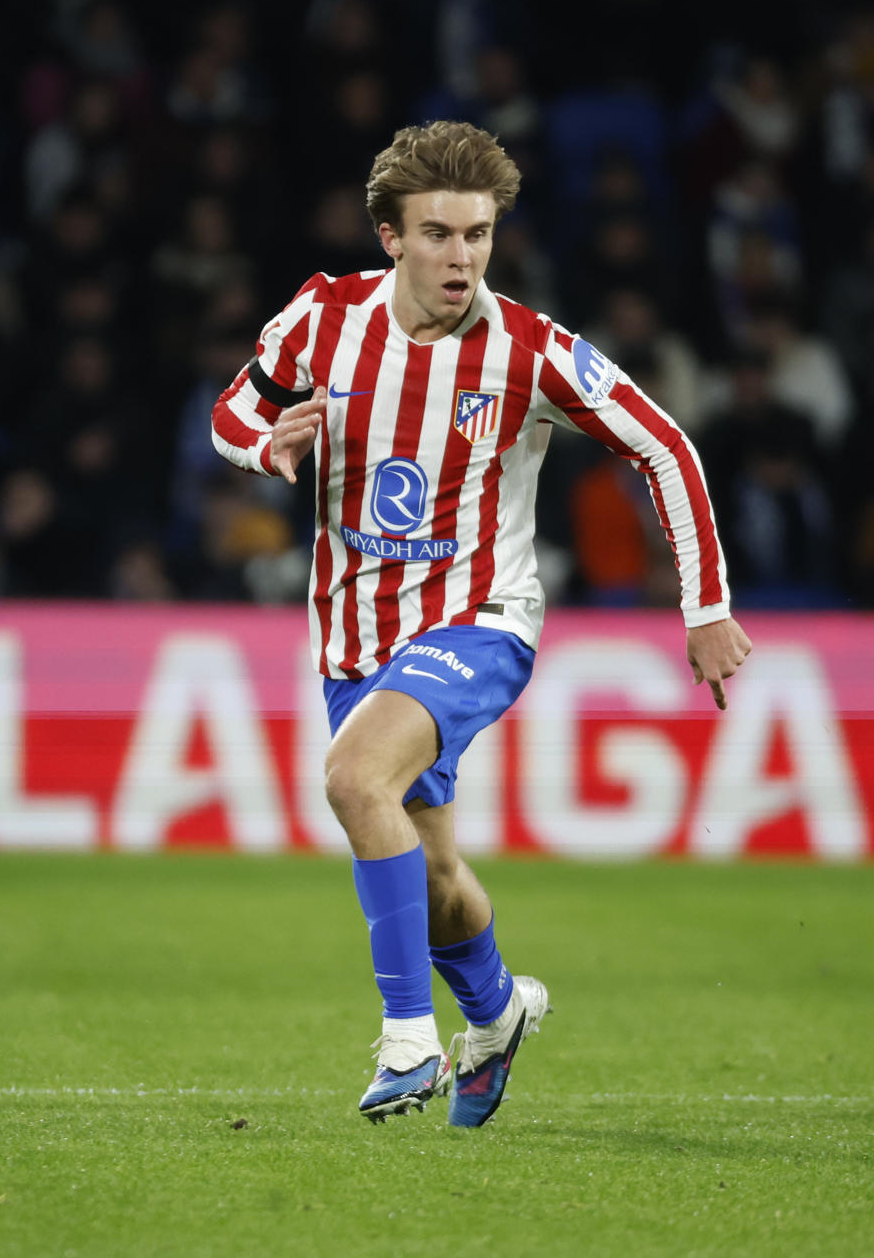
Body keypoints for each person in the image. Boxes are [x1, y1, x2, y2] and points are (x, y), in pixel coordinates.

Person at [212, 121, 749, 1126]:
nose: (462, 257)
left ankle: (408, 1038)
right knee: (433, 869)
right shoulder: (322, 318)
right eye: (439, 234)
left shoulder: (530, 351)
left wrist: (705, 605)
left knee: (353, 778)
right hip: (355, 635)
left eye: (478, 234)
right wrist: (265, 446)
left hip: (480, 618)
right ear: (390, 238)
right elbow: (235, 409)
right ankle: (498, 1012)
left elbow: (666, 444)